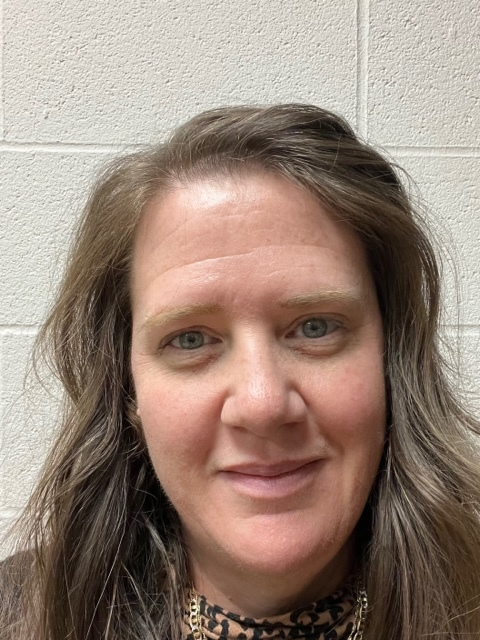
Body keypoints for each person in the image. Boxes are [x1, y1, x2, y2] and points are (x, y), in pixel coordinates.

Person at [1, 104, 480, 640]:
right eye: (190, 340)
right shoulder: (19, 612)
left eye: (316, 327)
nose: (262, 404)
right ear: (127, 390)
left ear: (392, 361)